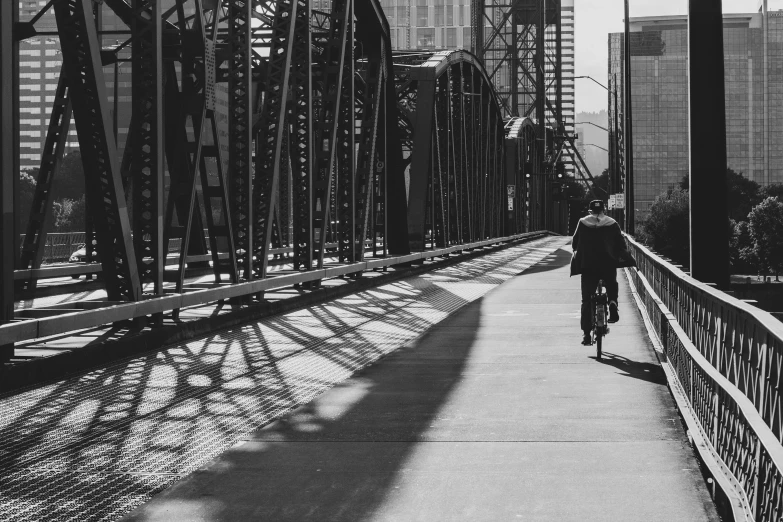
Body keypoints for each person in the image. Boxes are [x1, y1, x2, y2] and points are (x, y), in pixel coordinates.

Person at [571, 199, 636, 346]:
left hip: (588, 266)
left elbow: (575, 243)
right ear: (604, 210)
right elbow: (621, 244)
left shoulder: (582, 222)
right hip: (607, 264)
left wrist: (578, 252)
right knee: (612, 284)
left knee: (586, 300)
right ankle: (612, 302)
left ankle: (587, 334)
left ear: (590, 210)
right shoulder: (612, 223)